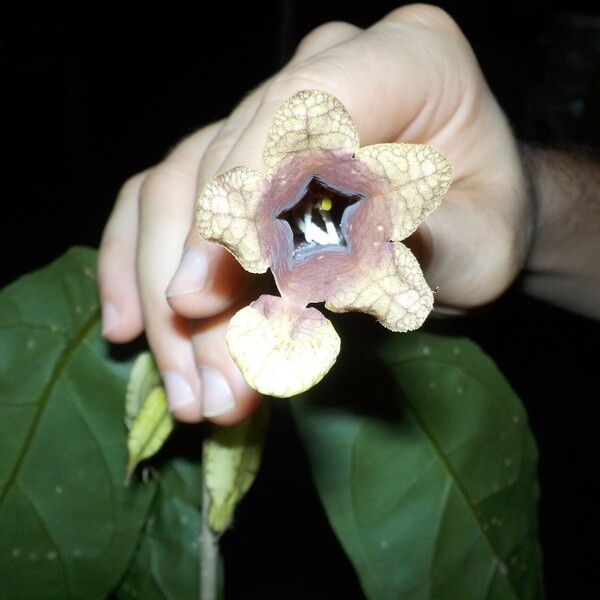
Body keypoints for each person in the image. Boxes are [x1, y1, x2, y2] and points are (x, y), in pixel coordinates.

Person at [97, 4, 600, 424]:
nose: (319, 219)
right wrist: (528, 202)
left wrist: (525, 203)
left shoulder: (374, 192)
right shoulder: (297, 193)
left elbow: (322, 145)